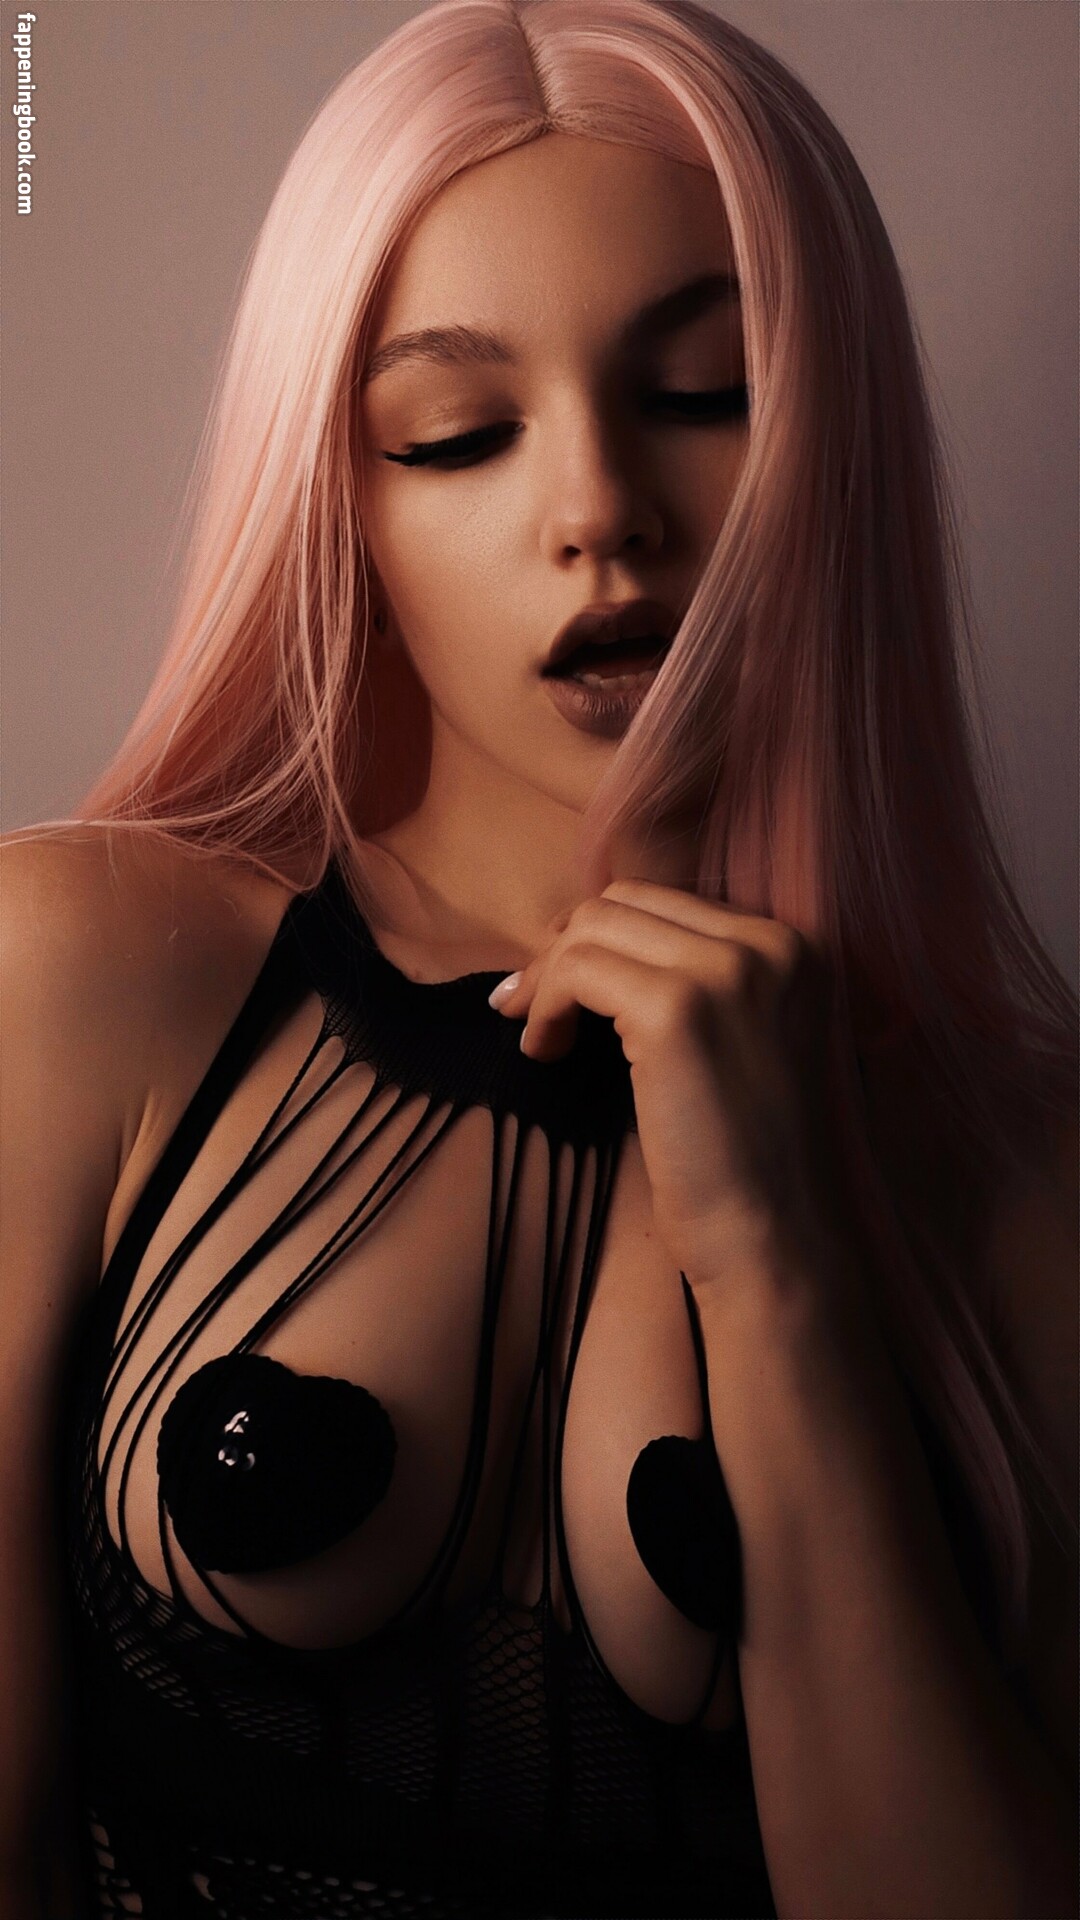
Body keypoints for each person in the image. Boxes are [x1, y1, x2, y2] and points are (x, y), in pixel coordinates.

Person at [2, 1, 1076, 1915]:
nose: (597, 516)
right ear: (339, 498)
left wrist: (779, 1259)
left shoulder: (1016, 1170)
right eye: (459, 434)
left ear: (832, 448)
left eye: (704, 394)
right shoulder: (84, 973)